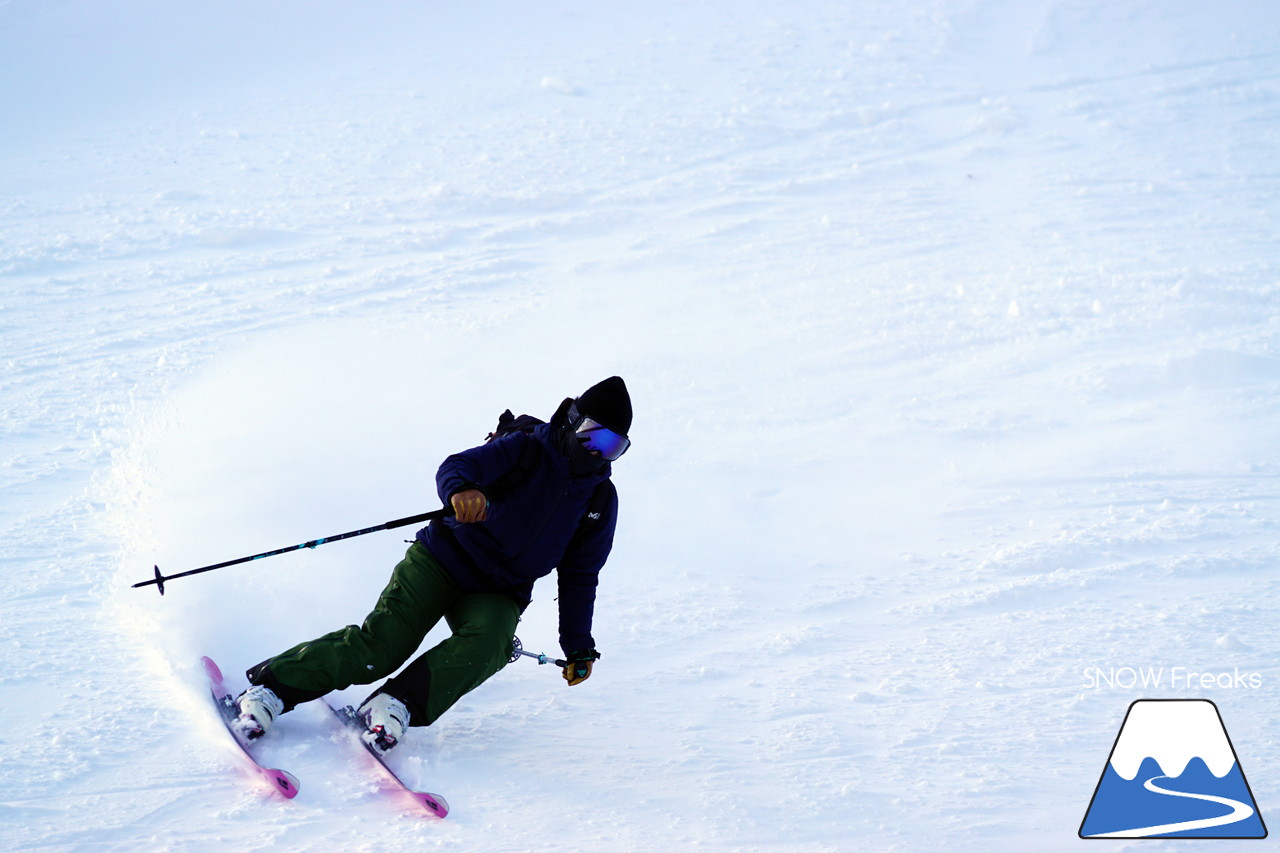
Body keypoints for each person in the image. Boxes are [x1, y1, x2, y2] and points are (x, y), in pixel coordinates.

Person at [233, 376, 632, 753]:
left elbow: (580, 576)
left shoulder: (599, 500)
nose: (598, 452)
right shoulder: (526, 449)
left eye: (614, 446)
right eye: (594, 436)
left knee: (490, 644)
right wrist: (461, 491)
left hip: (500, 590)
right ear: (573, 421)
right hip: (443, 559)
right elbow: (457, 467)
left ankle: (394, 705)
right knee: (384, 646)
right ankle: (271, 688)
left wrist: (578, 646)